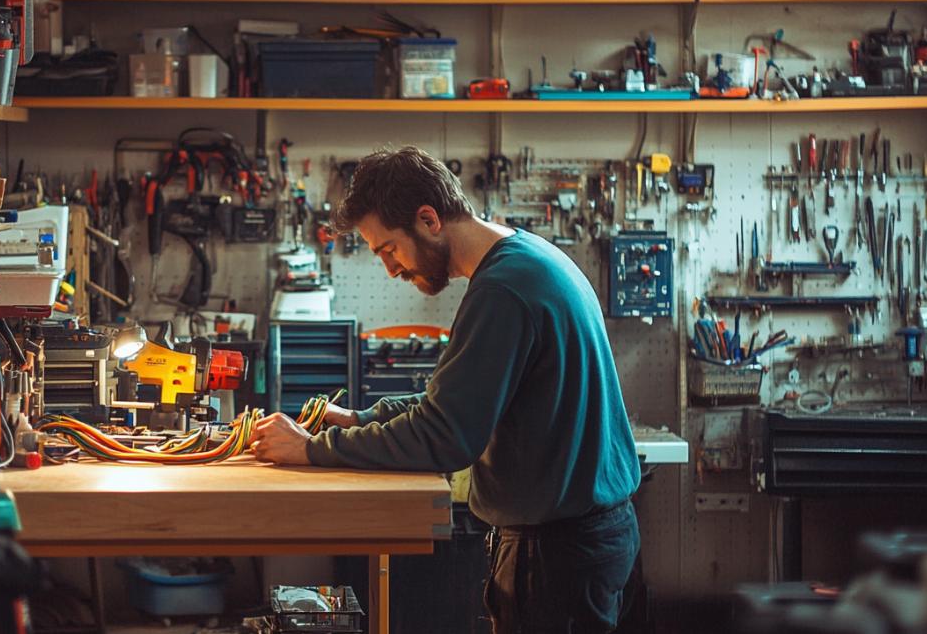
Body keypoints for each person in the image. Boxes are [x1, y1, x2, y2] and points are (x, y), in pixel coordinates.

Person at [249, 146, 642, 633]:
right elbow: (462, 402)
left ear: (429, 219)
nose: (391, 270)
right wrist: (363, 420)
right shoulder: (527, 260)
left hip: (557, 555)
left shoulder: (503, 291)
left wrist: (313, 450)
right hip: (584, 541)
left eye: (389, 250)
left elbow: (446, 436)